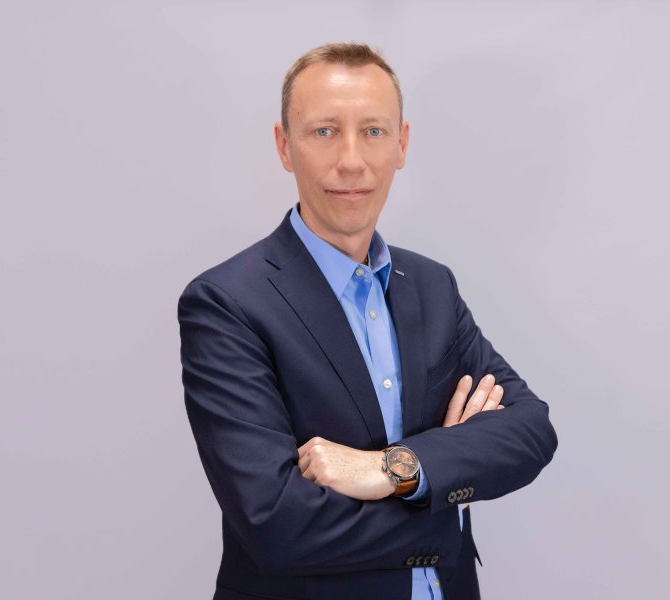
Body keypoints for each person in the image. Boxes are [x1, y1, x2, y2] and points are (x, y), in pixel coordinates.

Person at [178, 42, 557, 600]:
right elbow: (276, 524)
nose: (352, 161)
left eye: (374, 131)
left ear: (401, 145)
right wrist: (445, 505)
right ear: (284, 146)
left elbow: (530, 431)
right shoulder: (226, 303)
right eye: (324, 131)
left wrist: (393, 469)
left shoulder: (431, 285)